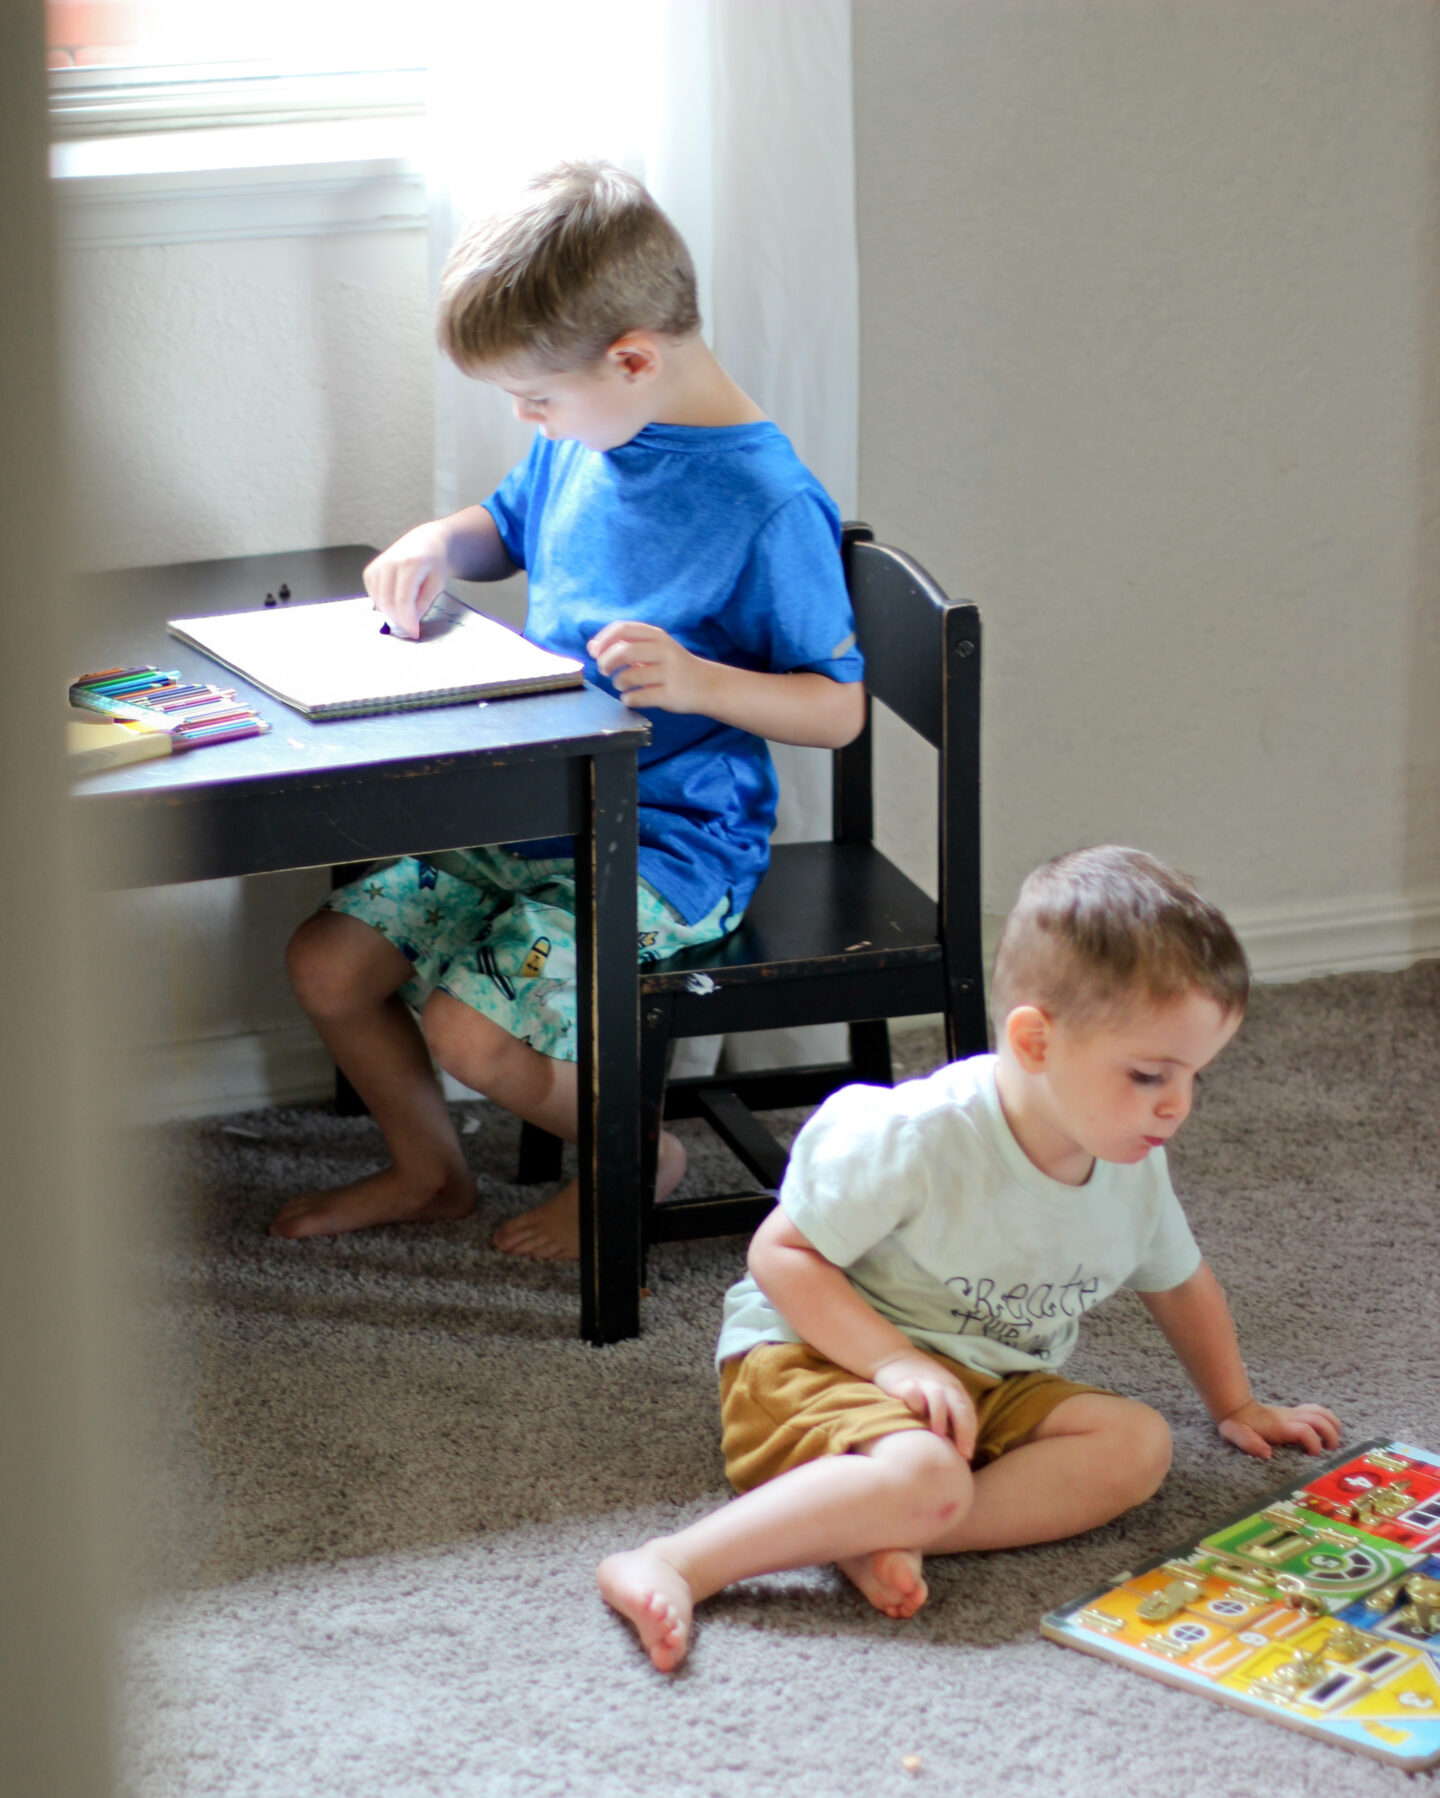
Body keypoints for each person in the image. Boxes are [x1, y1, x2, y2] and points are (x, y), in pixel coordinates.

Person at [270, 161, 865, 1257]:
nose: (526, 419)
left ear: (632, 357)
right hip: (539, 804)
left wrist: (697, 682)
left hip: (666, 845)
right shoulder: (585, 439)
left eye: (534, 397)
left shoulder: (765, 504)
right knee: (329, 962)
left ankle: (640, 1157)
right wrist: (434, 545)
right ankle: (428, 1171)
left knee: (467, 1023)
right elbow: (505, 523)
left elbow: (838, 711)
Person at [597, 845, 1341, 1672]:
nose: (1177, 1105)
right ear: (1034, 1041)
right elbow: (784, 1254)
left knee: (1137, 1446)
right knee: (927, 1473)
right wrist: (893, 1364)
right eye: (1147, 1074)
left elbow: (1179, 1280)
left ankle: (873, 1518)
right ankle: (678, 1560)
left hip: (989, 1379)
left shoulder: (1131, 1160)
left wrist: (1236, 1402)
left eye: (1195, 1076)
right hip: (821, 1355)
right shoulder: (916, 1136)